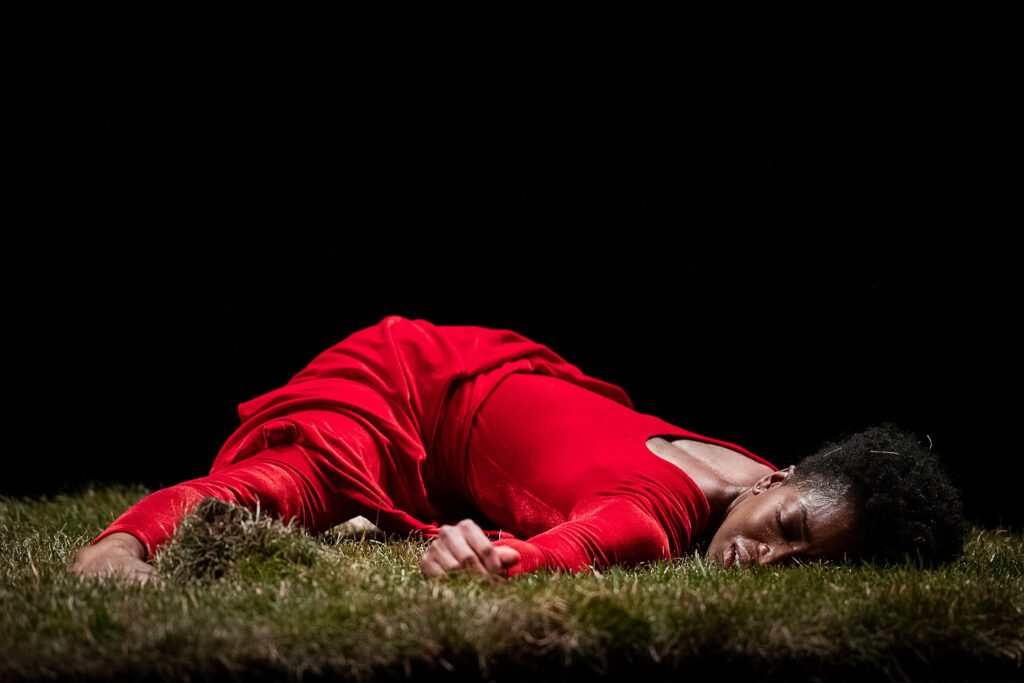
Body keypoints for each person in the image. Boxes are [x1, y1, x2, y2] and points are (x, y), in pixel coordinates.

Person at [71, 315, 967, 584]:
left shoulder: (661, 520)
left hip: (426, 412)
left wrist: (498, 559)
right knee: (300, 479)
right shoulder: (724, 472)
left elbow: (575, 544)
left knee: (314, 482)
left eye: (798, 565)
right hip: (418, 369)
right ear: (786, 474)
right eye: (793, 526)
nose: (765, 554)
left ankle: (119, 549)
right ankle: (111, 547)